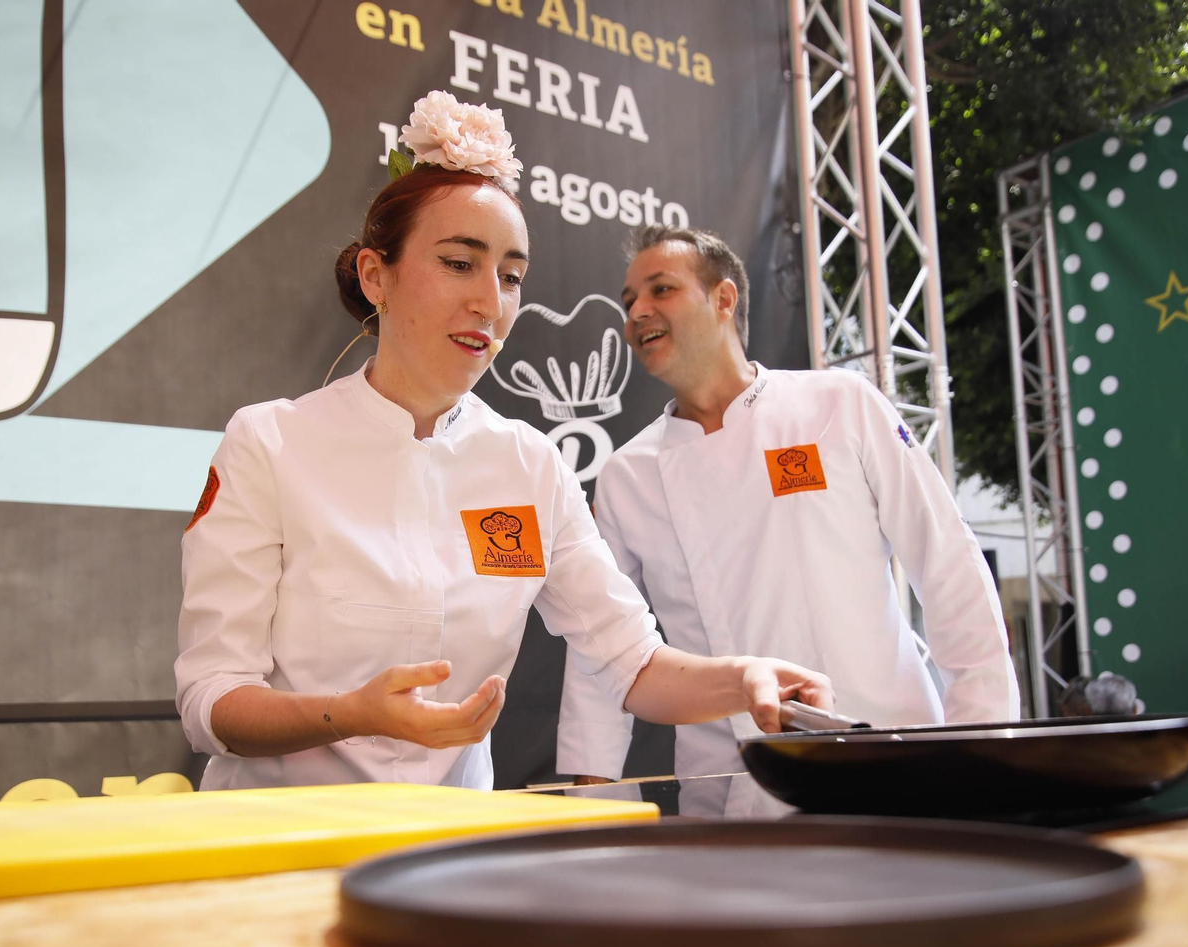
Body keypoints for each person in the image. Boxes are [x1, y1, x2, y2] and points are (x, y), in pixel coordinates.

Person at [174, 94, 832, 791]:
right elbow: (211, 701)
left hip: (448, 854)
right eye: (460, 263)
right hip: (281, 844)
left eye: (511, 276)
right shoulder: (272, 442)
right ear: (376, 276)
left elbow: (633, 663)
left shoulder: (529, 464)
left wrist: (746, 678)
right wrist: (350, 714)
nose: (490, 302)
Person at [558, 226, 1018, 784]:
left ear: (724, 299)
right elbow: (604, 649)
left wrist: (984, 742)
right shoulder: (628, 476)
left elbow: (948, 566)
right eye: (630, 301)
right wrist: (590, 790)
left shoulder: (839, 405)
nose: (637, 313)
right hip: (730, 786)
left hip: (890, 757)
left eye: (661, 290)